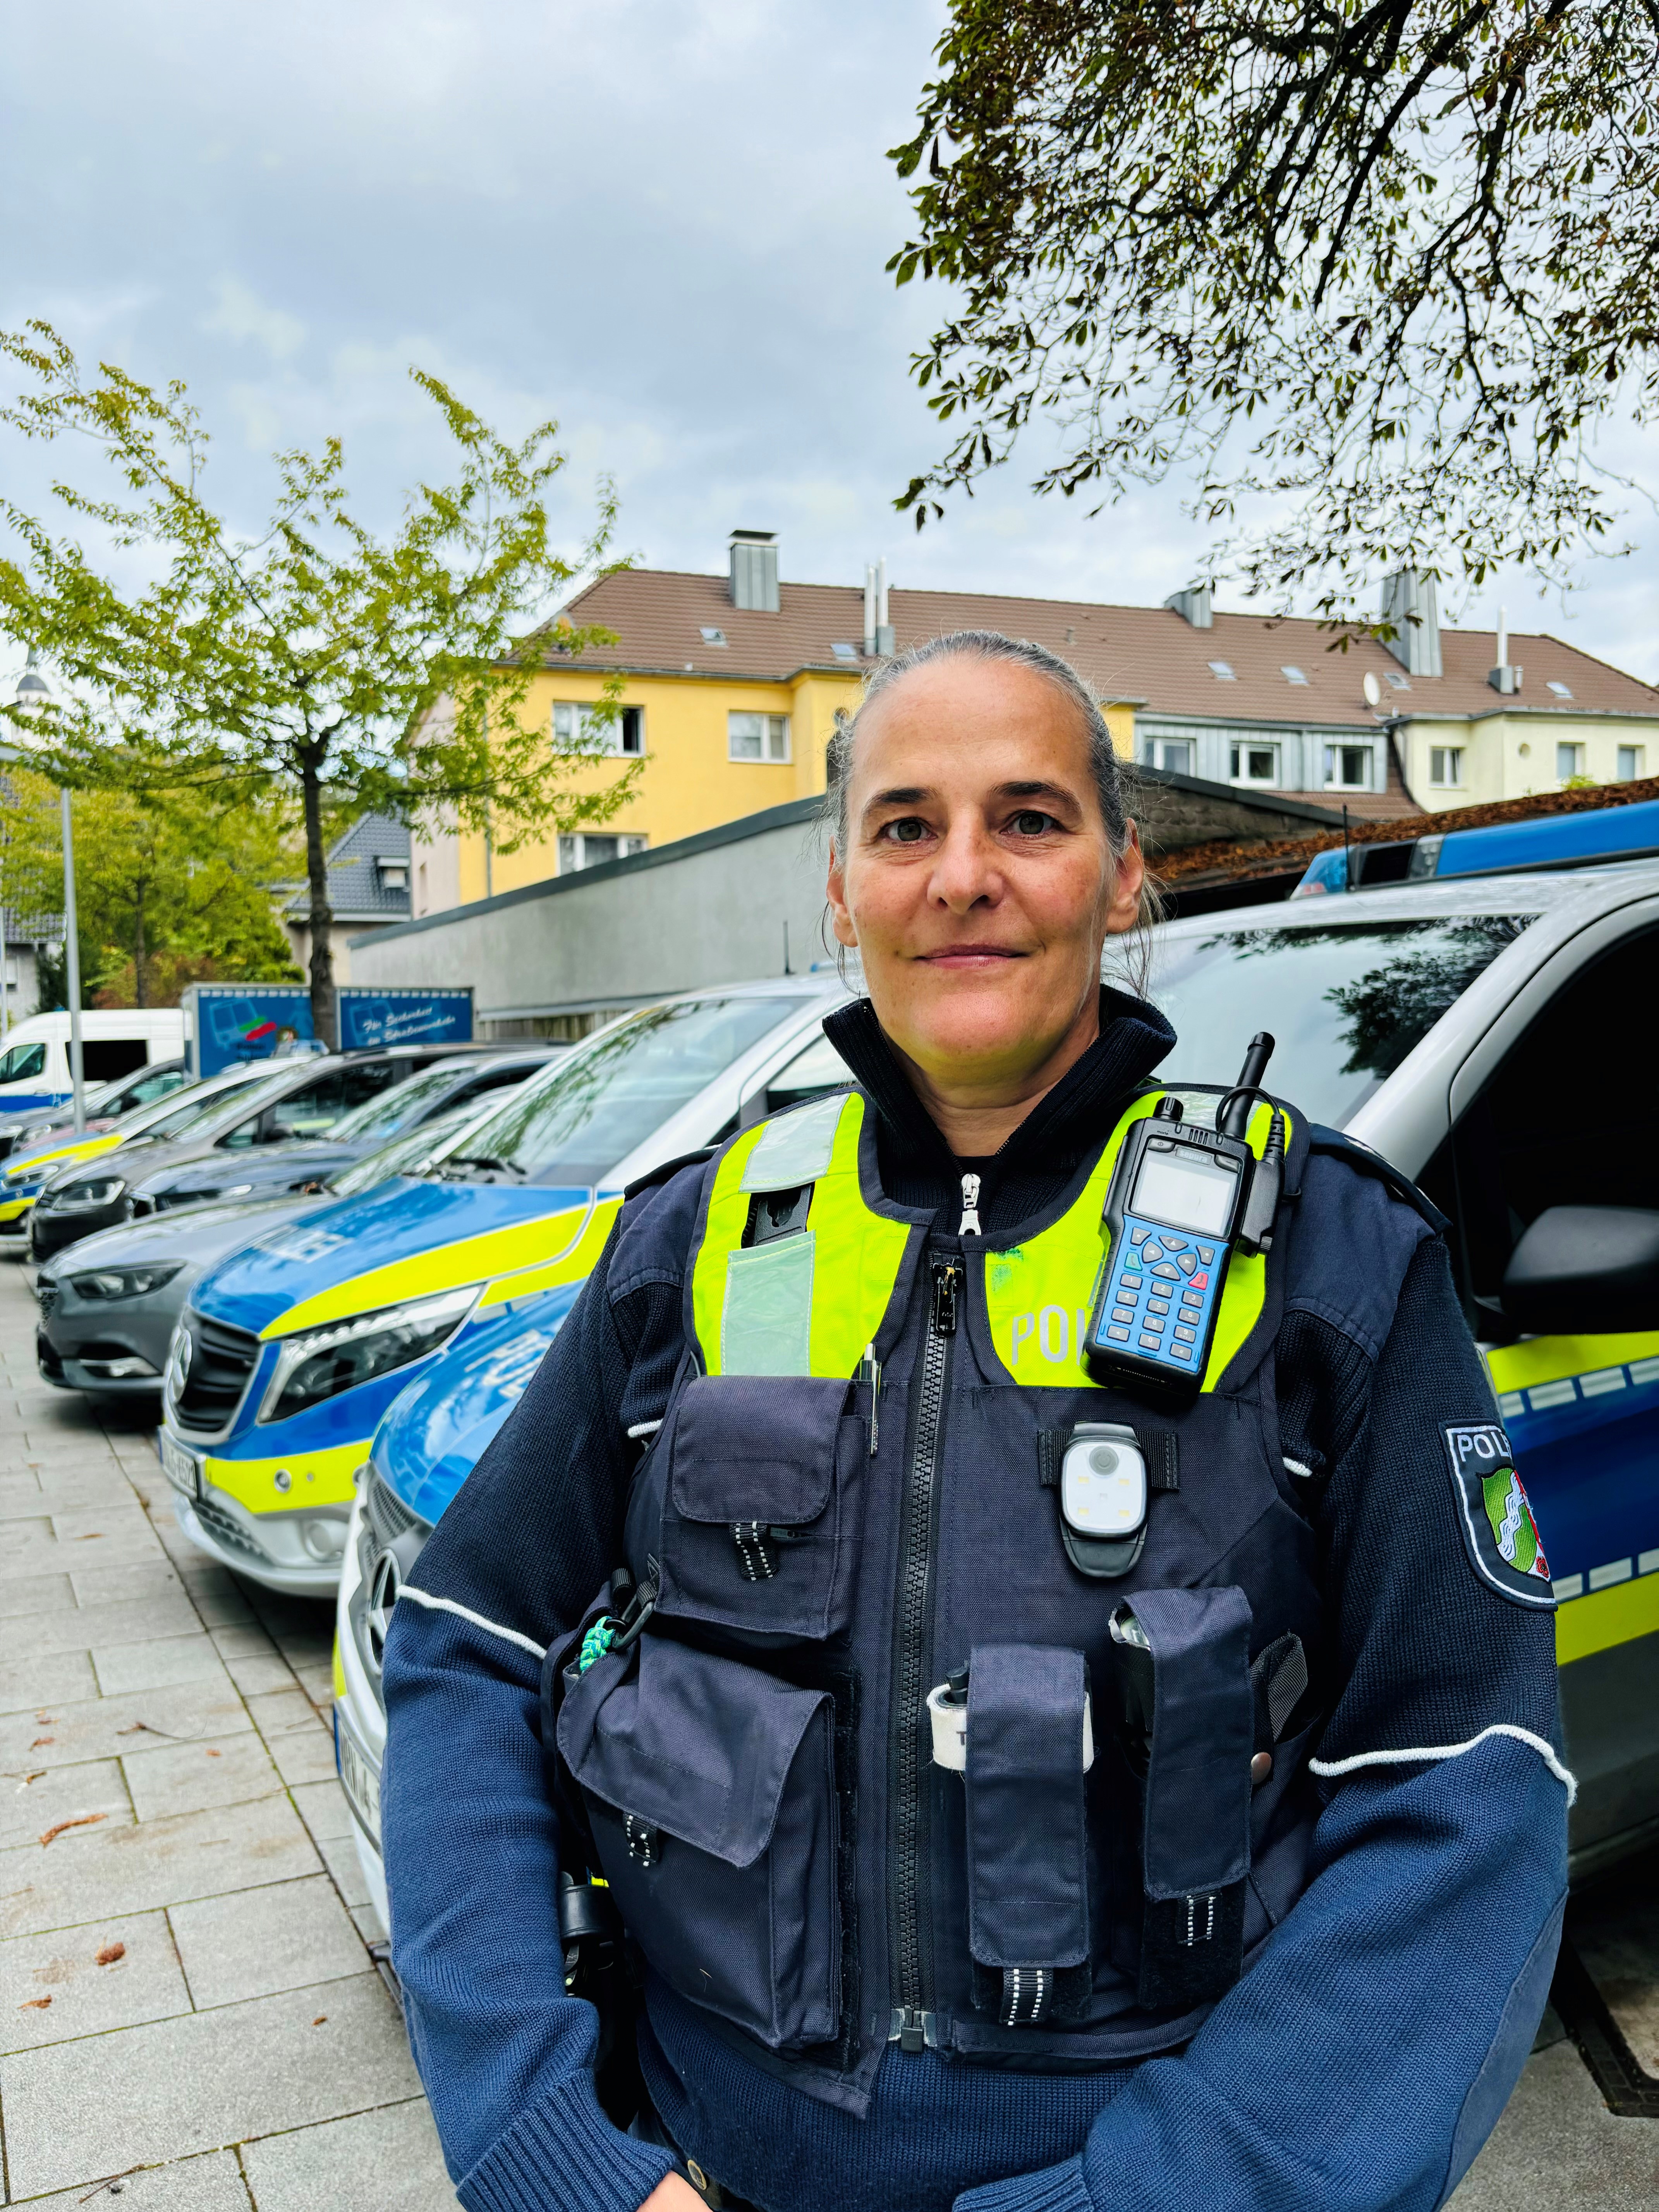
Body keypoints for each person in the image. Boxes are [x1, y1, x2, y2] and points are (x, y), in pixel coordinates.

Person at [381, 631, 1568, 2212]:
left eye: (1027, 818)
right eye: (903, 826)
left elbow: (1465, 1786)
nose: (962, 877)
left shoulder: (1333, 1263)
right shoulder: (687, 1246)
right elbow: (468, 1644)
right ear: (841, 890)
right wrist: (552, 2150)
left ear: (1124, 876)